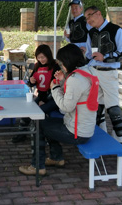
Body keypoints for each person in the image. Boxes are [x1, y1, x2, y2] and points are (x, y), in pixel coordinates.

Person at [19, 44, 98, 175]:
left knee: (37, 124)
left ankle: (37, 166)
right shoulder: (89, 71)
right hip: (84, 127)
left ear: (68, 61)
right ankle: (56, 158)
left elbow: (65, 106)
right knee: (46, 121)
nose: (61, 66)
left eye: (61, 63)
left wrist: (54, 88)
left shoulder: (75, 79)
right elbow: (78, 92)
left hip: (76, 132)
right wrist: (62, 80)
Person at [84, 5, 122, 145]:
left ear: (98, 13)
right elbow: (88, 55)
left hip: (109, 73)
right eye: (86, 18)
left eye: (89, 16)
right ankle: (100, 137)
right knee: (96, 107)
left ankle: (121, 143)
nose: (88, 20)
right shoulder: (90, 33)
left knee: (113, 109)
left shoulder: (116, 30)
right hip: (94, 72)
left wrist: (106, 57)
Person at [11, 44, 61, 143]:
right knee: (27, 110)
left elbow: (56, 87)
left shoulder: (55, 66)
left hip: (54, 98)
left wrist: (44, 100)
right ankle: (22, 133)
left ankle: (43, 137)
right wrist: (31, 81)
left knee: (38, 112)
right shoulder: (37, 66)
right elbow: (31, 82)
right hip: (42, 96)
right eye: (39, 57)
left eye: (43, 57)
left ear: (48, 55)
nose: (41, 60)